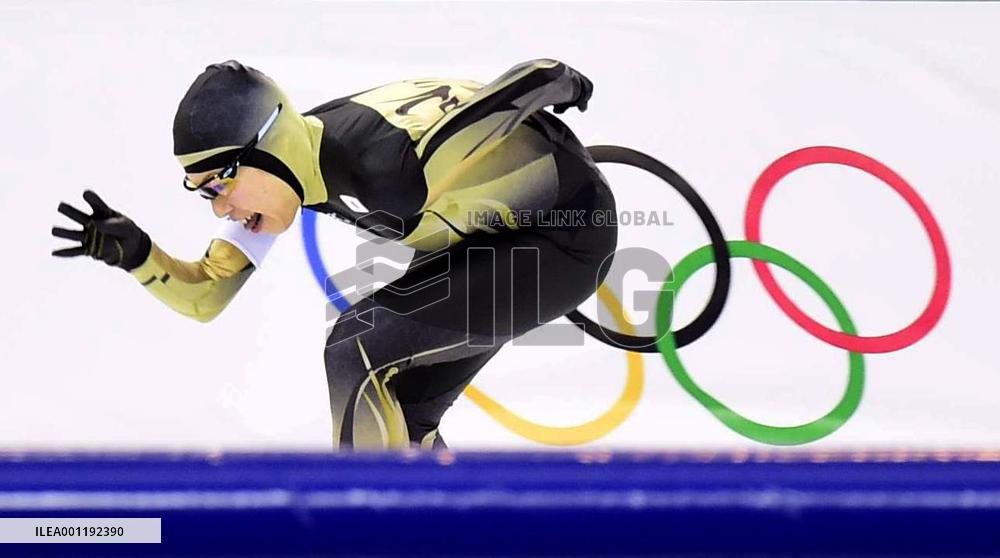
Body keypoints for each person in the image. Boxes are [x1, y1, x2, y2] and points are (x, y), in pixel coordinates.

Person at [51, 59, 617, 450]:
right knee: (408, 414)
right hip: (478, 235)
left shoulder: (392, 160)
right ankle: (452, 534)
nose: (219, 210)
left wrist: (566, 83)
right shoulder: (295, 167)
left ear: (267, 147)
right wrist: (138, 255)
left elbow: (524, 85)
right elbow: (207, 295)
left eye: (219, 185)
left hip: (565, 235)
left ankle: (355, 530)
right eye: (201, 193)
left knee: (356, 346)